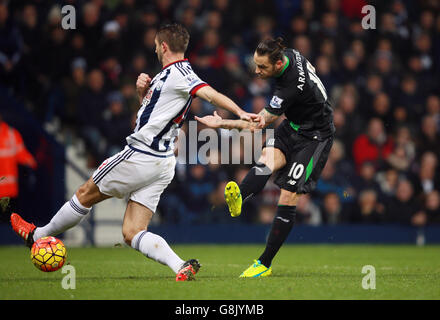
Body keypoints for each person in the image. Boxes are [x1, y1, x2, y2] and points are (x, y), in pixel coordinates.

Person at [9, 23, 263, 281]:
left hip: (142, 155)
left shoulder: (179, 73)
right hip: (162, 163)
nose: (154, 48)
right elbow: (153, 115)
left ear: (163, 46)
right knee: (132, 232)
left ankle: (37, 235)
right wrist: (144, 92)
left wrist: (241, 112)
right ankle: (180, 266)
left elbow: (208, 93)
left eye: (155, 44)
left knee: (85, 193)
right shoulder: (166, 77)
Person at [196, 37, 335, 277]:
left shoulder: (289, 87)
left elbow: (255, 125)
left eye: (262, 67)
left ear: (279, 64)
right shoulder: (289, 54)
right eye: (256, 64)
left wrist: (221, 123)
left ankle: (264, 263)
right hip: (292, 126)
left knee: (289, 193)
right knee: (266, 159)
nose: (257, 71)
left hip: (315, 138)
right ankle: (240, 195)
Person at [0, 114, 37, 211]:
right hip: (9, 192)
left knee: (8, 221)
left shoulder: (11, 134)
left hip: (9, 193)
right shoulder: (12, 134)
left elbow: (22, 155)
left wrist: (33, 163)